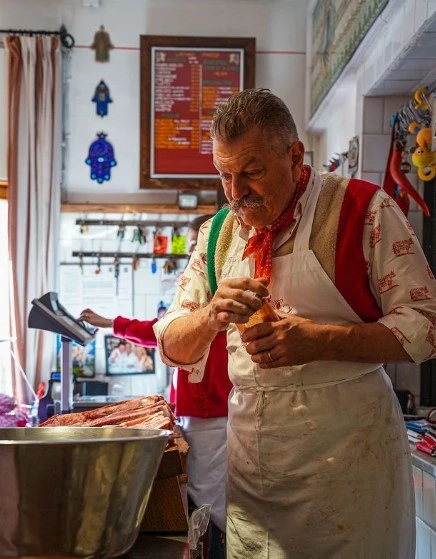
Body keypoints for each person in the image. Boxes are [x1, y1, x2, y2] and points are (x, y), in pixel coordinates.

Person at [153, 88, 436, 558]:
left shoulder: (363, 210)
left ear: (294, 155)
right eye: (224, 175)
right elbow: (171, 344)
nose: (236, 191)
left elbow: (426, 326)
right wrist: (211, 316)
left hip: (349, 460)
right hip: (252, 471)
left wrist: (318, 340)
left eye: (252, 172)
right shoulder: (219, 234)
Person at [80, 215, 232, 559]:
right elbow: (165, 332)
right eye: (192, 244)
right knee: (202, 499)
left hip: (213, 411)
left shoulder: (218, 296)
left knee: (210, 502)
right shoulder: (197, 291)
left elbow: (159, 332)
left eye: (200, 245)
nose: (194, 251)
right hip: (197, 410)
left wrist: (110, 323)